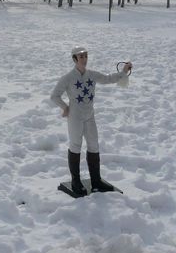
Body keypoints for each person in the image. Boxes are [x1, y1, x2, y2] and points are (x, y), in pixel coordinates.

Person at [51, 46, 132, 196]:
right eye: (81, 57)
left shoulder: (92, 75)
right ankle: (76, 181)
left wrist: (123, 72)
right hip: (75, 116)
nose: (84, 59)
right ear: (74, 59)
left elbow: (108, 79)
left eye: (86, 56)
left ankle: (96, 180)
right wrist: (65, 107)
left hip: (89, 116)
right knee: (75, 145)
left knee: (94, 145)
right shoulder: (68, 78)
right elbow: (54, 95)